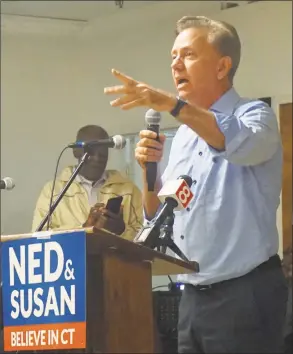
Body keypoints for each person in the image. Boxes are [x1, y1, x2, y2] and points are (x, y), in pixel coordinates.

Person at [104, 15, 288, 353]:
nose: (176, 64)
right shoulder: (185, 135)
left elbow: (232, 140)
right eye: (173, 56)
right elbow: (159, 217)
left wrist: (171, 104)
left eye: (187, 54)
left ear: (222, 67)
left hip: (244, 294)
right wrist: (150, 172)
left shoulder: (255, 116)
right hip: (191, 297)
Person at [32, 125, 143, 240]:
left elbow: (145, 241)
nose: (97, 158)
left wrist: (121, 230)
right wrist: (83, 229)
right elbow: (38, 238)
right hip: (73, 258)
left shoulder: (129, 190)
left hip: (113, 258)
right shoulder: (53, 191)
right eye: (91, 152)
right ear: (76, 151)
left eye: (103, 152)